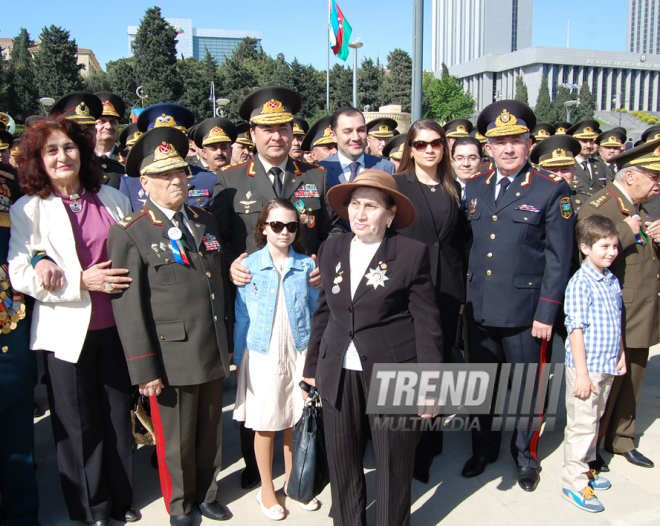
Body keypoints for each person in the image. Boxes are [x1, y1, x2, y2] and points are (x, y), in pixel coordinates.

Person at [8, 116, 138, 526]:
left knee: (118, 418)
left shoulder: (113, 199)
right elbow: (20, 275)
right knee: (79, 426)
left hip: (117, 328)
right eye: (51, 150)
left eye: (69, 147)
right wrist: (81, 282)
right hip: (67, 333)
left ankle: (121, 498)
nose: (63, 156)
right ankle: (91, 508)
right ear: (37, 161)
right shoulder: (28, 209)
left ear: (82, 152)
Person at [210, 85, 341, 490]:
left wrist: (326, 261)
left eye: (283, 128)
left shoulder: (317, 176)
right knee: (259, 387)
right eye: (266, 130)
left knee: (301, 385)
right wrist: (229, 264)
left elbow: (336, 230)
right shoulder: (229, 181)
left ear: (292, 132)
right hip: (255, 303)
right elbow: (217, 239)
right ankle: (255, 465)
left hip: (305, 299)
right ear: (251, 134)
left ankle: (302, 466)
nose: (276, 137)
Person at [108, 126, 234, 526]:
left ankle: (207, 491)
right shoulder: (131, 231)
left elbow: (214, 287)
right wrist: (144, 369)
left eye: (180, 172)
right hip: (170, 353)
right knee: (176, 438)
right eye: (165, 175)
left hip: (211, 344)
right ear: (144, 183)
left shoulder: (205, 221)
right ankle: (180, 503)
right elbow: (129, 308)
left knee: (210, 429)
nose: (177, 180)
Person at [303, 169, 444, 526]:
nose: (360, 214)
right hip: (337, 369)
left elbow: (427, 324)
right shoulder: (332, 246)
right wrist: (311, 368)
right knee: (343, 461)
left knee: (394, 464)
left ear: (391, 213)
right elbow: (324, 310)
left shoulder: (411, 254)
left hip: (392, 371)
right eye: (354, 204)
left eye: (371, 206)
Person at [462, 100, 574, 492]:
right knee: (482, 387)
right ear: (487, 148)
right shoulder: (473, 187)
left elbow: (560, 260)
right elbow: (468, 248)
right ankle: (482, 449)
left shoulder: (550, 189)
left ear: (529, 144)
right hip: (479, 308)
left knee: (529, 390)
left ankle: (526, 457)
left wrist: (547, 312)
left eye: (516, 141)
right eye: (499, 142)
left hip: (527, 315)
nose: (508, 149)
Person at [233, 199, 320, 520]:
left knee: (294, 419)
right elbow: (241, 313)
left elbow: (315, 311)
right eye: (277, 225)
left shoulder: (307, 267)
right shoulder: (249, 266)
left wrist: (314, 356)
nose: (284, 232)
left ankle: (293, 482)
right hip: (261, 353)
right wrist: (239, 355)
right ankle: (266, 489)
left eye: (292, 226)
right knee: (266, 422)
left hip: (299, 350)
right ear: (263, 228)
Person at [578, 139, 660, 472]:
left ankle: (622, 439)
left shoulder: (640, 205)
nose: (658, 184)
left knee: (634, 377)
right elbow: (588, 254)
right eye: (653, 177)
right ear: (630, 177)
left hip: (640, 308)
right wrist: (625, 232)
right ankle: (594, 445)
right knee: (606, 383)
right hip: (615, 311)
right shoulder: (601, 205)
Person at [393, 119, 466, 482]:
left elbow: (459, 243)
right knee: (409, 366)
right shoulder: (397, 185)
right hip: (408, 290)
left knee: (438, 367)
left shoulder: (454, 187)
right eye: (420, 144)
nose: (429, 150)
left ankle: (429, 442)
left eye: (435, 143)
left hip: (448, 291)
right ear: (410, 148)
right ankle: (403, 441)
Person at [562, 215, 627, 513]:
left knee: (594, 420)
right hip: (585, 368)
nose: (612, 252)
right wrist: (582, 375)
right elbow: (575, 329)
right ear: (586, 247)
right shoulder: (580, 283)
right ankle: (573, 483)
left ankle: (587, 467)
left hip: (607, 364)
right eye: (604, 246)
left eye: (614, 246)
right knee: (581, 425)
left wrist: (621, 354)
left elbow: (616, 321)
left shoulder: (611, 278)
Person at [0, 160, 39, 526]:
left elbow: (35, 240)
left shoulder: (12, 183)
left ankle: (22, 516)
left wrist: (42, 259)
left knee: (16, 441)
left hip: (8, 326)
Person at [50, 91, 125, 189]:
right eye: (76, 127)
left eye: (89, 126)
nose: (83, 132)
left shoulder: (115, 169)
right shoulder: (50, 169)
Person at [320, 106, 395, 187]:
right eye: (347, 131)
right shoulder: (320, 170)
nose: (356, 137)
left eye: (361, 130)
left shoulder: (386, 168)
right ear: (334, 136)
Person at [568, 120, 611, 202]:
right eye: (584, 141)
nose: (588, 145)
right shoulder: (567, 166)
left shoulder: (600, 166)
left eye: (591, 141)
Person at [94, 91, 126, 163]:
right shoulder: (81, 159)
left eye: (113, 122)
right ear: (92, 126)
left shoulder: (131, 160)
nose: (108, 126)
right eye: (102, 122)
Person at [451, 136, 483, 206]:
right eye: (459, 158)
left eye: (472, 158)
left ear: (481, 161)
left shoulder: (490, 192)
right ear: (452, 162)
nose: (466, 164)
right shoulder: (444, 191)